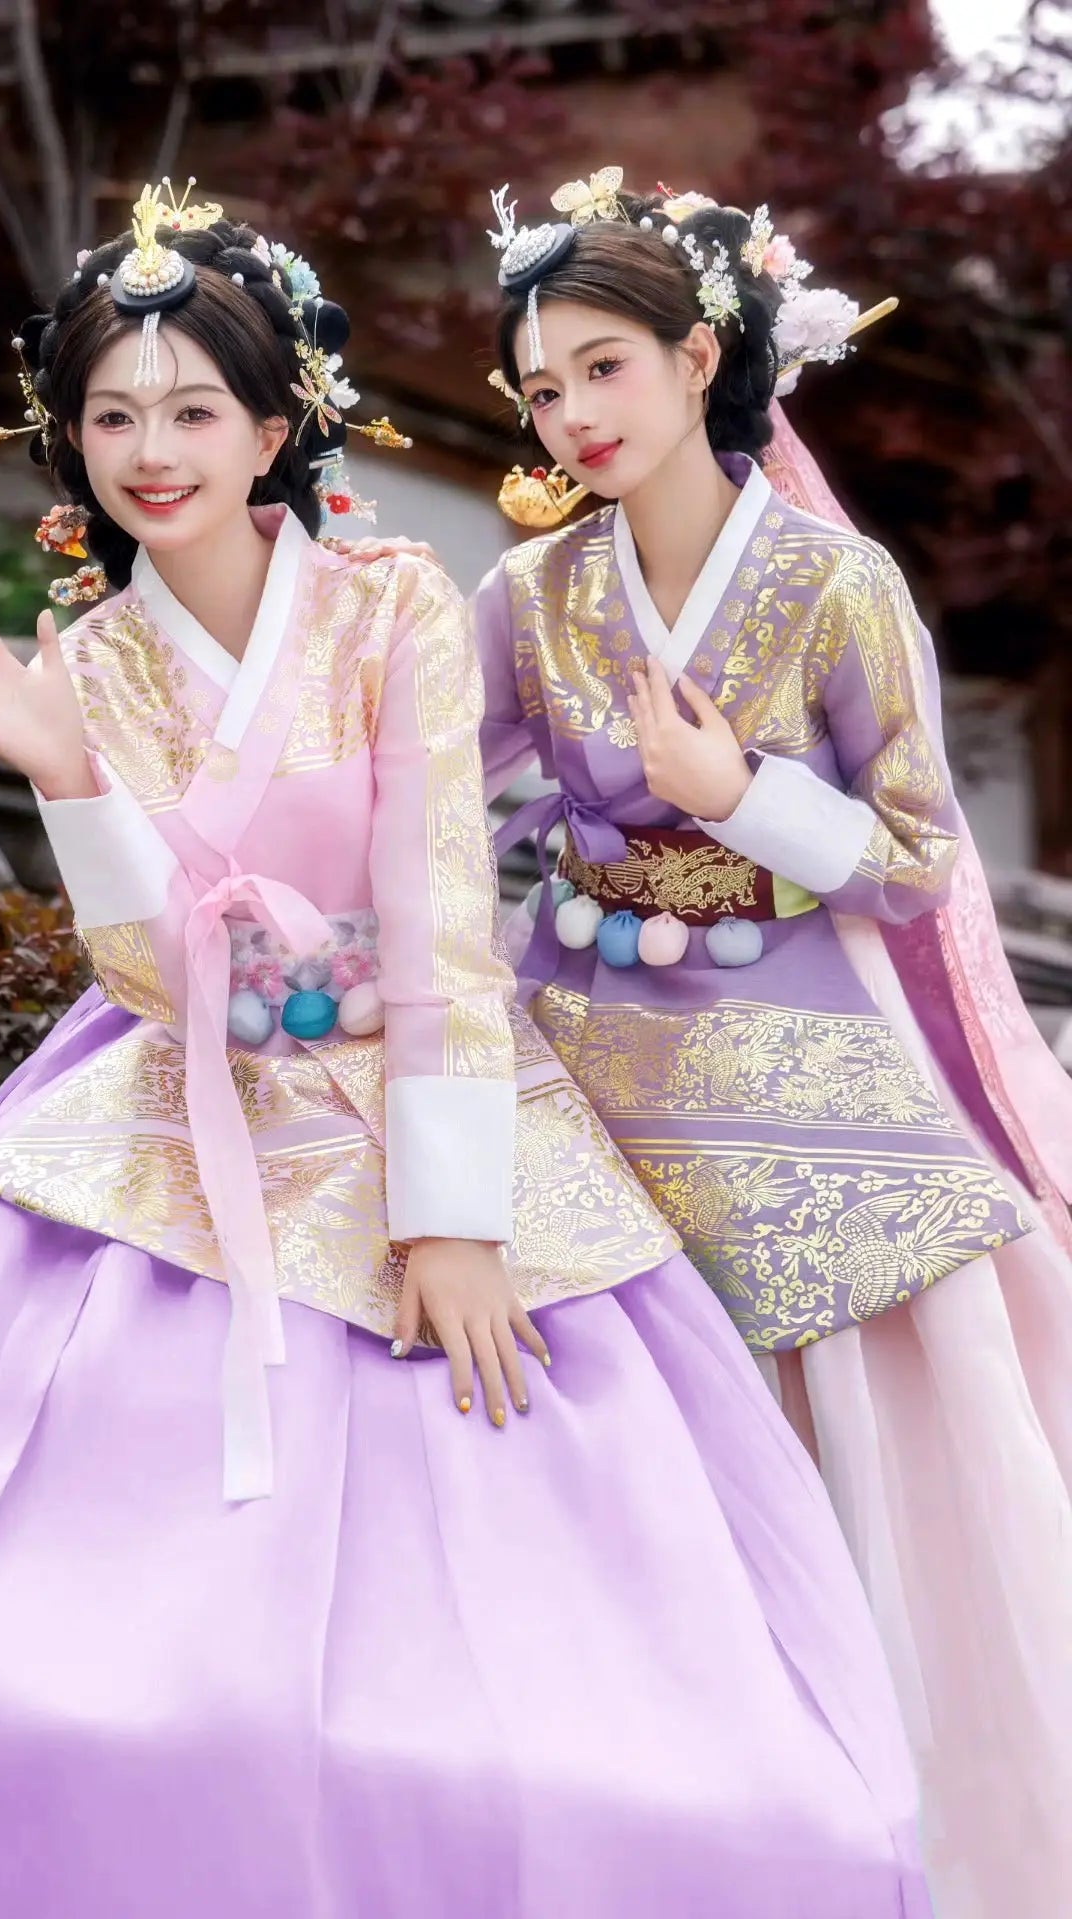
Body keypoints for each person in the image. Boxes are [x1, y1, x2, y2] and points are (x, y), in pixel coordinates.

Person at [0, 184, 930, 1919]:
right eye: (111, 414)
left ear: (275, 423)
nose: (152, 452)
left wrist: (451, 1214)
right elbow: (148, 976)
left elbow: (444, 910)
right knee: (7, 1658)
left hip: (429, 1083)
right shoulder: (90, 661)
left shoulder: (396, 604)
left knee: (591, 1692)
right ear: (64, 439)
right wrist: (69, 779)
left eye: (193, 410)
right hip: (176, 1104)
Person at [469, 169, 1072, 1919]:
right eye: (543, 383)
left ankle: (877, 1826)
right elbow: (442, 795)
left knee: (860, 1404)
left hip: (791, 1030)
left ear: (699, 353)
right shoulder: (526, 593)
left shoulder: (834, 583)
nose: (572, 413)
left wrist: (742, 795)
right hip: (583, 1024)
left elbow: (916, 859)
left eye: (604, 367)